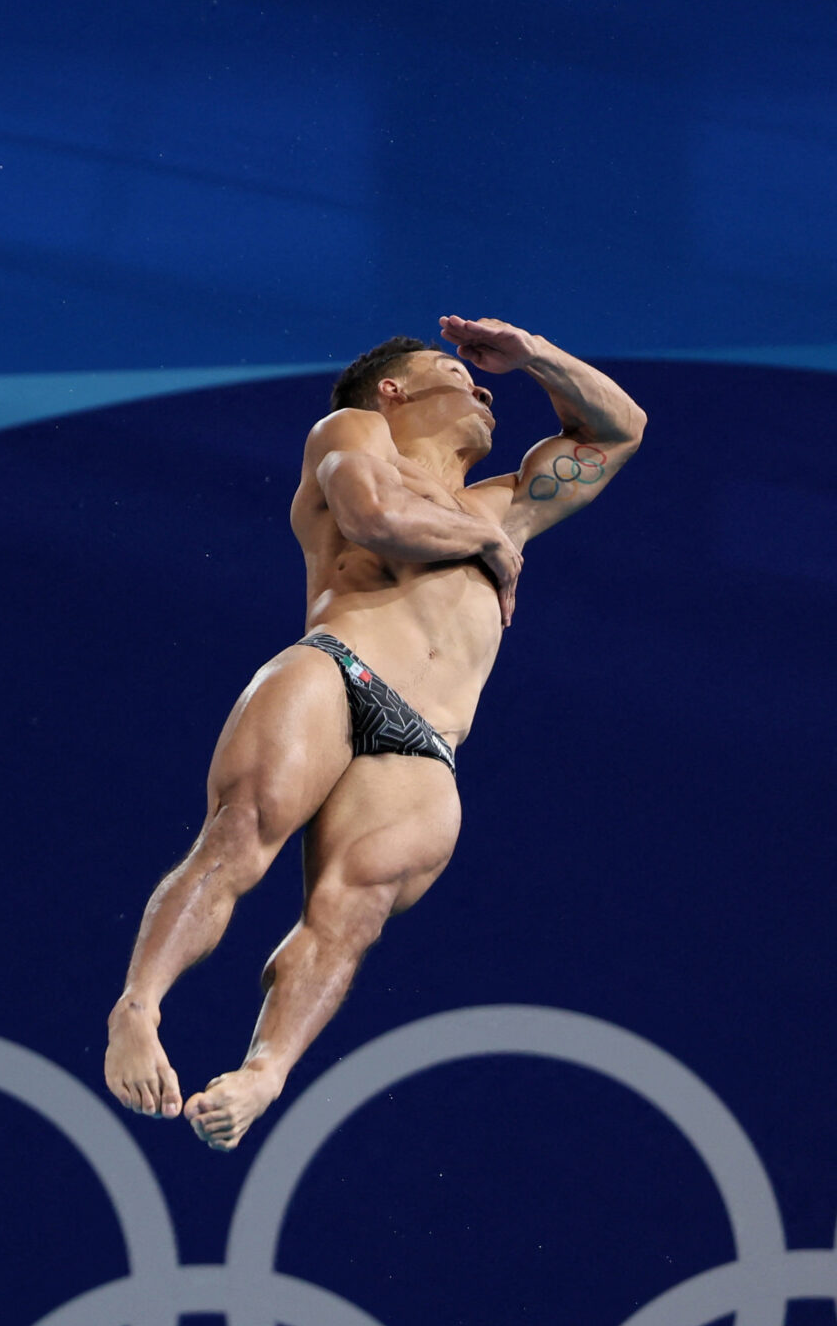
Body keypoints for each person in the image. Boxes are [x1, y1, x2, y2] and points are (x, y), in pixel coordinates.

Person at [102, 314, 645, 1149]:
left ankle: (264, 1072)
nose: (482, 385)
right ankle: (138, 1009)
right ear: (393, 390)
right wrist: (486, 543)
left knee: (349, 918)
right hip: (338, 670)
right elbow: (373, 516)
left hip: (427, 741)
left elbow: (620, 429)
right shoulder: (354, 432)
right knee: (238, 839)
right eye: (455, 373)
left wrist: (533, 352)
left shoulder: (503, 506)